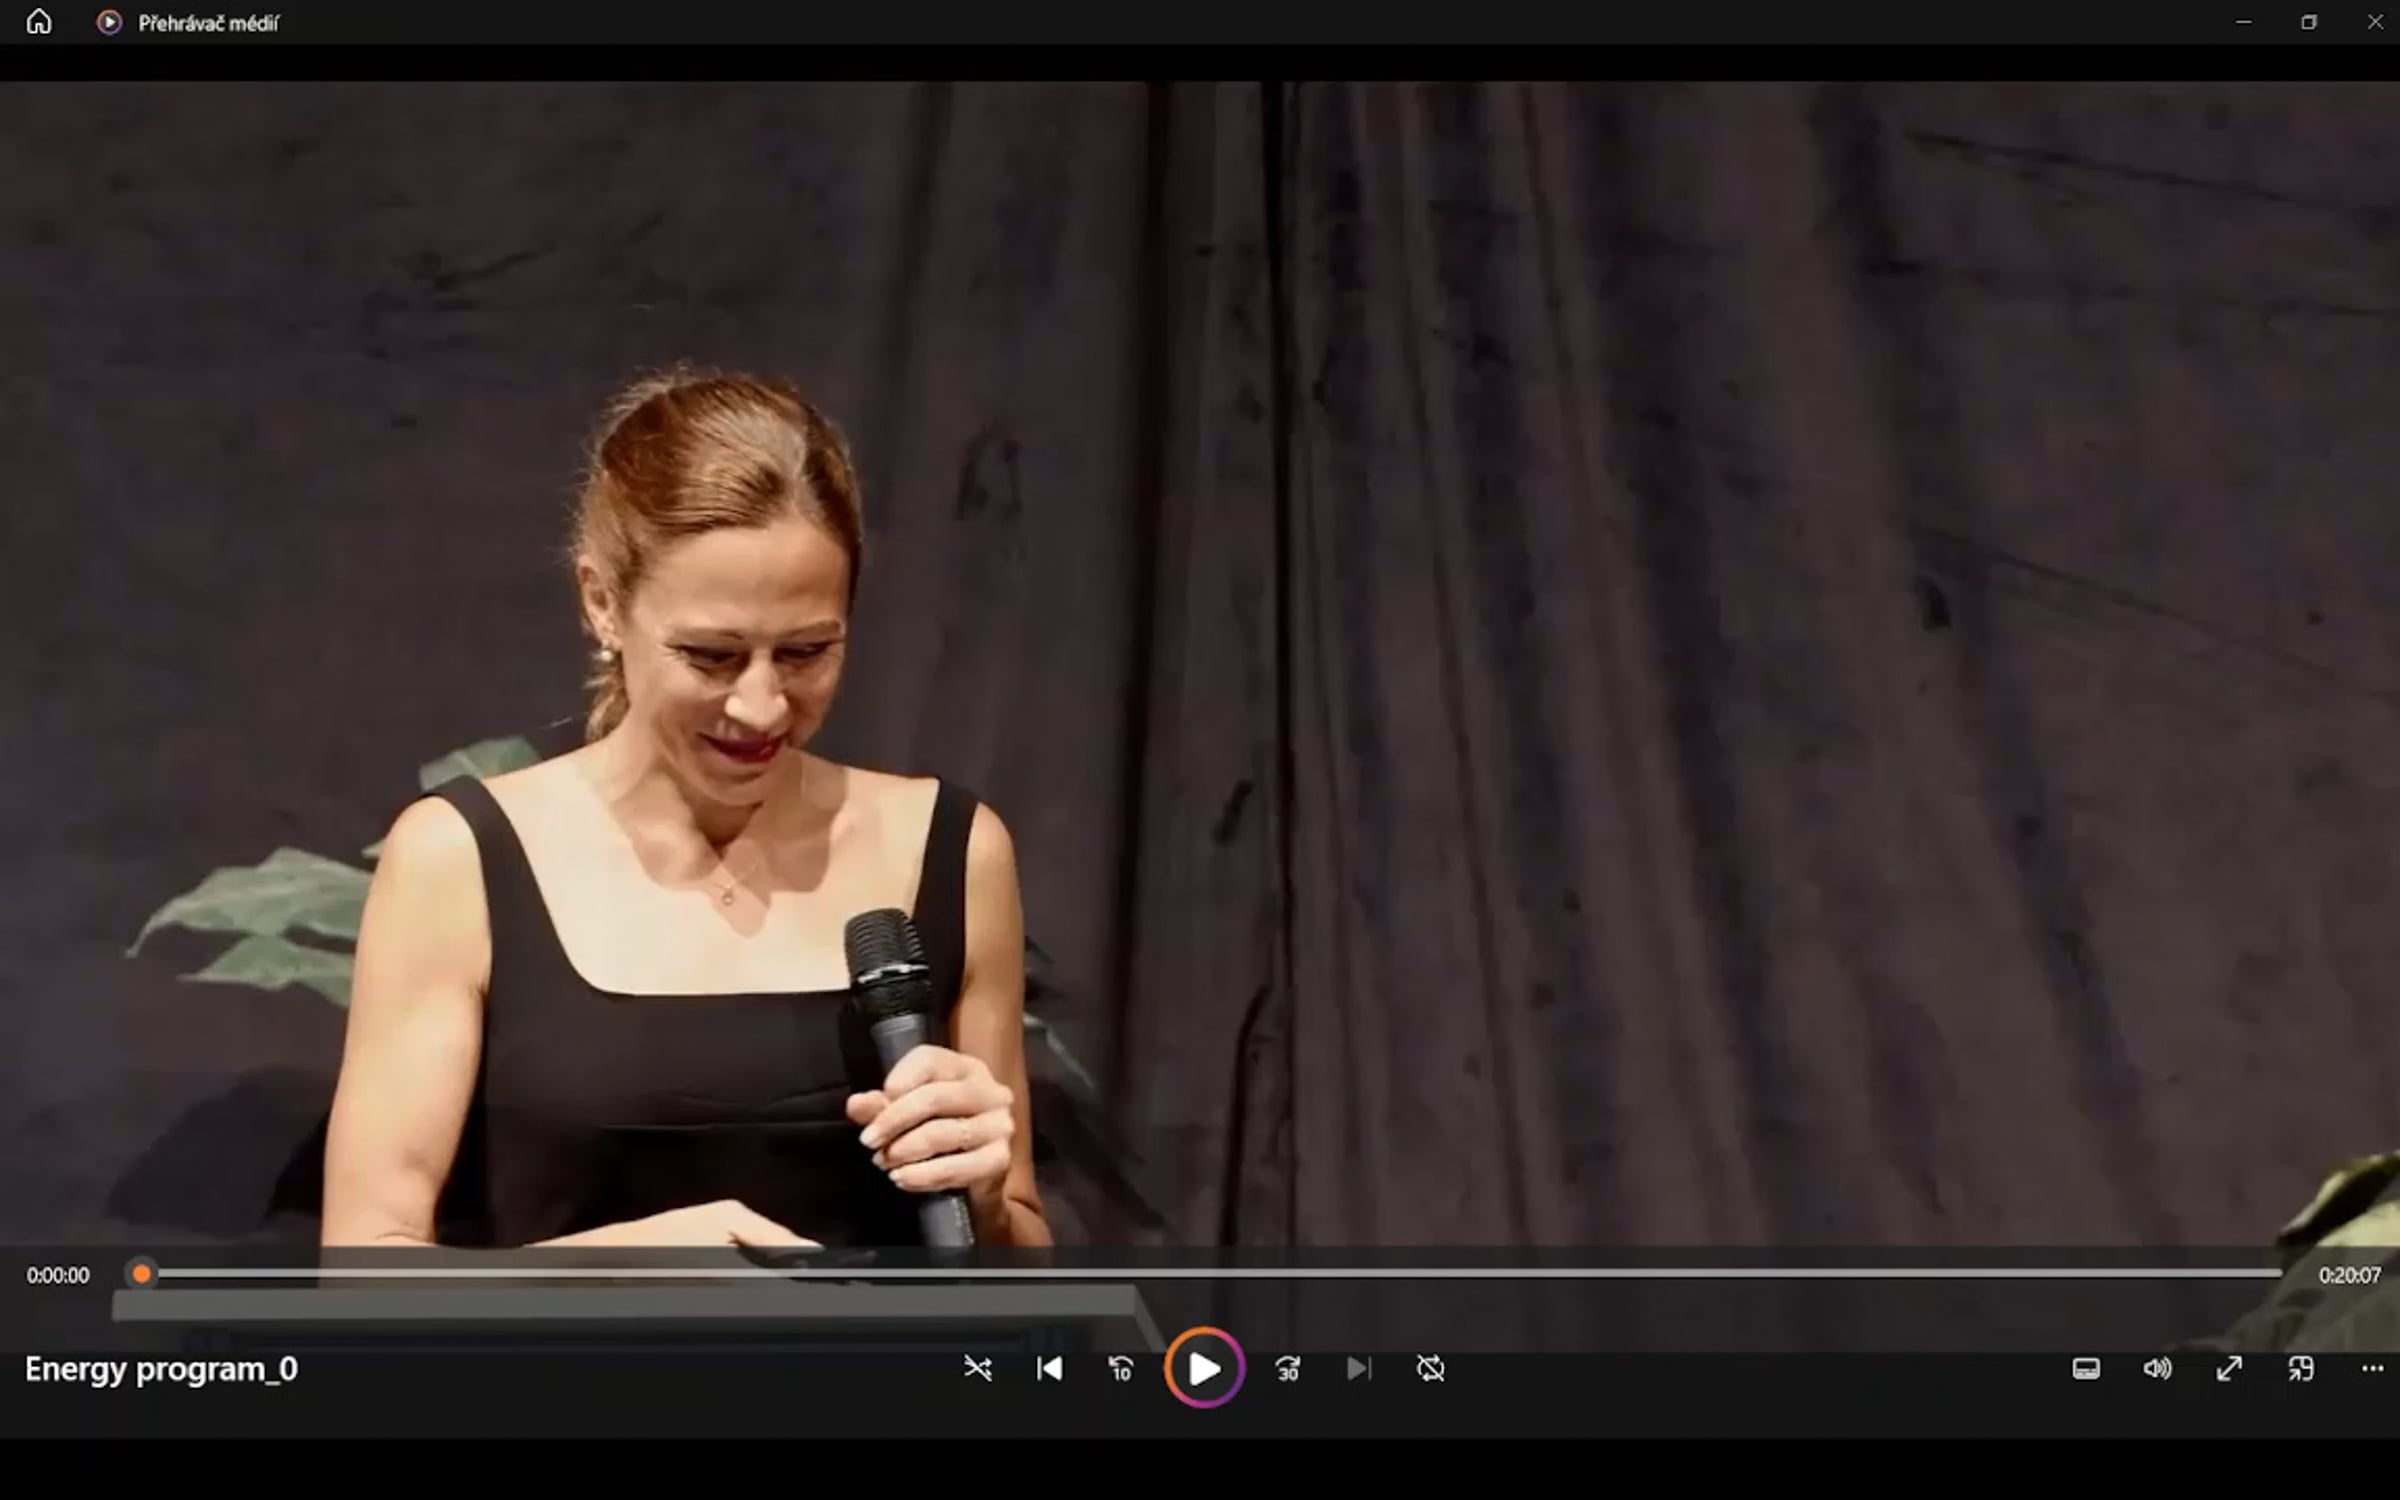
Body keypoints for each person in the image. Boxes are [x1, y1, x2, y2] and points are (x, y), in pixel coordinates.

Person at [319, 367, 1050, 1251]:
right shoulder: (459, 861)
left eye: (806, 652)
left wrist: (984, 1202)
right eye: (711, 656)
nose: (762, 707)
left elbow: (1019, 1254)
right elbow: (364, 1274)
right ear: (602, 603)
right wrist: (628, 1269)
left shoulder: (952, 850)